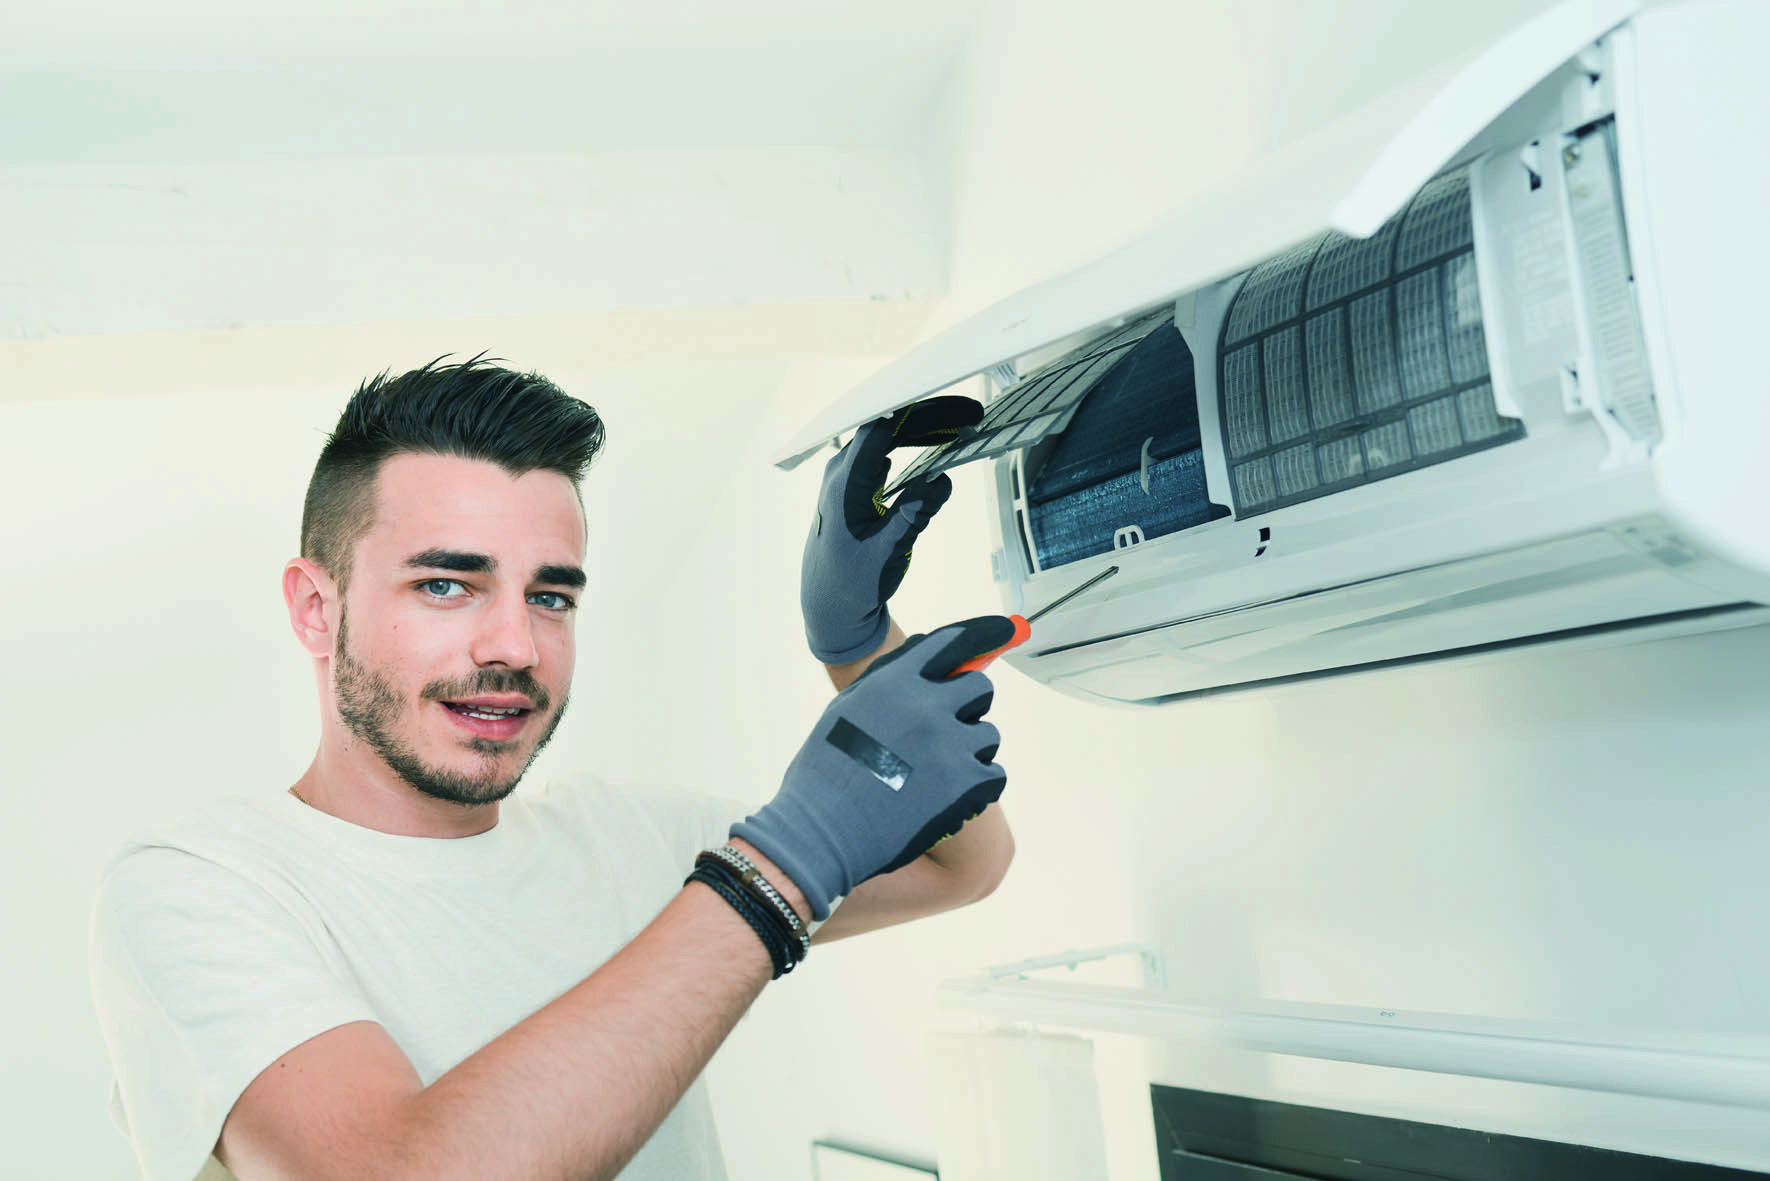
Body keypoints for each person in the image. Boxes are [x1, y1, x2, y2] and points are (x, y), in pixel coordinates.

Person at [87, 357, 1013, 1180]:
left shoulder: (632, 839)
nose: (515, 644)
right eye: (445, 584)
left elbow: (957, 865)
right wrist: (775, 871)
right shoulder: (200, 888)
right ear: (316, 608)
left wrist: (859, 650)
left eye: (550, 594)